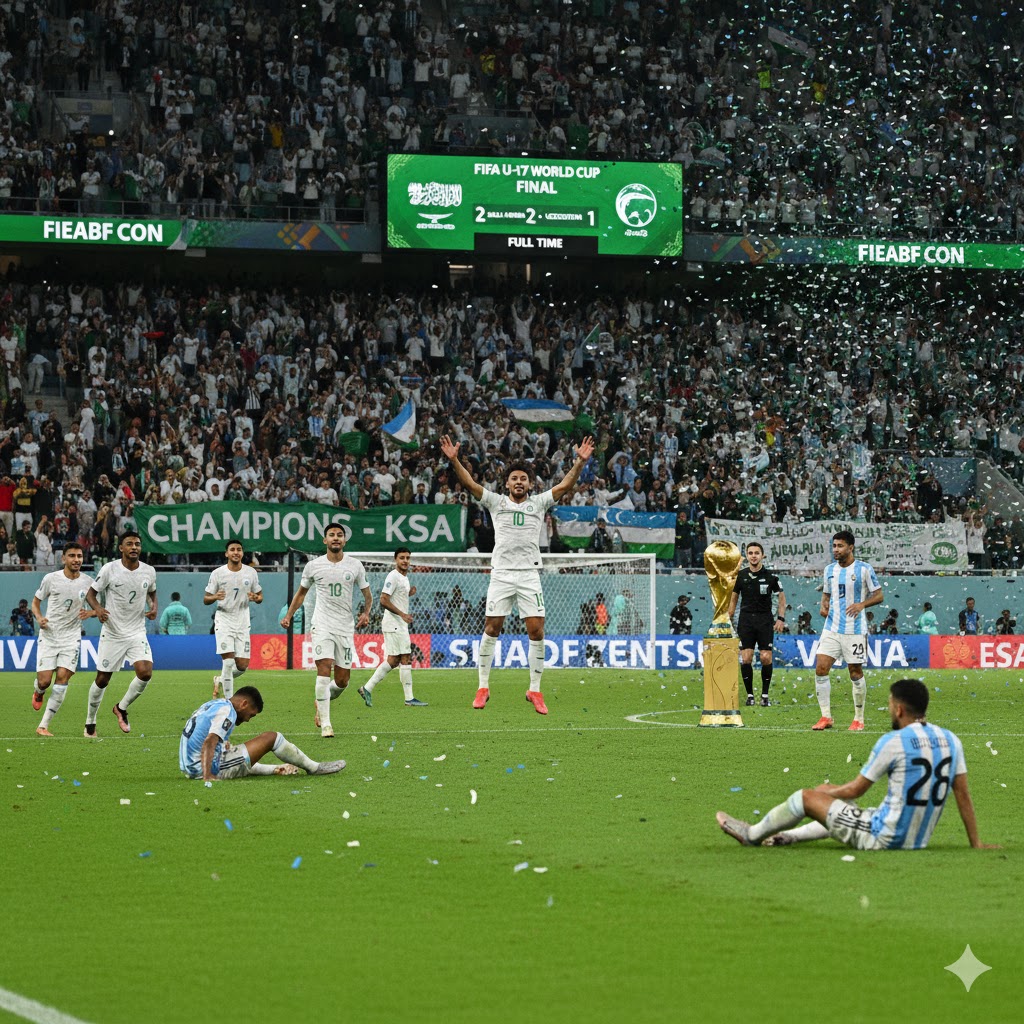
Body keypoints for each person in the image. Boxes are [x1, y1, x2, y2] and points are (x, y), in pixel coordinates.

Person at [716, 678, 1000, 852]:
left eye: (890, 704)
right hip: (918, 840)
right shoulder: (951, 739)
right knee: (847, 814)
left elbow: (855, 790)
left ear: (899, 709)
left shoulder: (894, 741)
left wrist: (829, 791)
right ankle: (784, 838)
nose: (890, 709)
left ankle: (751, 835)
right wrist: (975, 843)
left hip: (884, 837)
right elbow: (962, 794)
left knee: (807, 798)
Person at [440, 432, 595, 715]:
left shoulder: (539, 503)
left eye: (523, 478)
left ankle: (534, 690)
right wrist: (454, 461)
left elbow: (564, 485)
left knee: (536, 630)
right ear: (507, 483)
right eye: (514, 478)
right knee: (492, 628)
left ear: (530, 483)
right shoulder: (497, 502)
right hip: (501, 573)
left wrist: (580, 463)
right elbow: (470, 483)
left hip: (529, 574)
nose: (519, 482)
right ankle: (483, 686)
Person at [280, 522, 371, 738]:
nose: (336, 538)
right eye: (332, 535)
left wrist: (366, 613)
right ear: (325, 540)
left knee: (342, 681)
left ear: (344, 540)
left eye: (339, 535)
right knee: (323, 668)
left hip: (345, 626)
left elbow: (367, 594)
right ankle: (327, 723)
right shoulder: (314, 566)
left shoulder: (355, 565)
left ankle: (322, 699)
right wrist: (289, 615)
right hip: (321, 624)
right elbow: (301, 594)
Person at [179, 685, 346, 781]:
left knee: (238, 754)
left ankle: (276, 769)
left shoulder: (216, 704)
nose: (249, 719)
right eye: (251, 714)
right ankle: (313, 768)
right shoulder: (227, 712)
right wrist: (209, 778)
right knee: (272, 738)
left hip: (191, 764)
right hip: (201, 768)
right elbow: (209, 742)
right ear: (244, 704)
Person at [84, 531, 158, 737]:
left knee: (145, 673)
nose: (134, 547)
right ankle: (90, 721)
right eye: (129, 544)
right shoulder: (109, 569)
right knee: (102, 679)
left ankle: (121, 708)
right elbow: (91, 594)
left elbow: (152, 591)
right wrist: (98, 608)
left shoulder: (149, 571)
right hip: (113, 632)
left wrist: (154, 607)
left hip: (136, 631)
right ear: (121, 548)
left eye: (137, 544)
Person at [813, 530, 883, 732]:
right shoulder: (829, 570)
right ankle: (826, 717)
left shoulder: (864, 569)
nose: (836, 549)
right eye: (834, 546)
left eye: (840, 546)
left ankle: (858, 719)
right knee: (821, 669)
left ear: (850, 547)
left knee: (855, 672)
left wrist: (862, 604)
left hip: (855, 630)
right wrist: (823, 605)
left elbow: (879, 595)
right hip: (831, 628)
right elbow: (826, 594)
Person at [30, 543, 95, 736]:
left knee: (62, 679)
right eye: (72, 556)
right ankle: (39, 692)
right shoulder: (51, 579)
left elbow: (100, 606)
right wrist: (39, 618)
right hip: (49, 635)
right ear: (63, 559)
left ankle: (43, 725)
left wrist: (90, 612)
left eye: (80, 556)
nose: (77, 560)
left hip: (71, 637)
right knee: (44, 681)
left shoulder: (89, 582)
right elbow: (35, 602)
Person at [357, 546, 427, 707]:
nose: (405, 561)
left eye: (408, 558)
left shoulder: (404, 578)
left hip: (398, 624)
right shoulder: (393, 576)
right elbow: (383, 599)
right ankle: (409, 698)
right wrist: (402, 614)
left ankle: (367, 688)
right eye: (402, 558)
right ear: (396, 560)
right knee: (405, 657)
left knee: (393, 660)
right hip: (394, 623)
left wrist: (409, 593)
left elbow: (396, 596)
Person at [727, 542, 787, 707]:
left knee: (765, 657)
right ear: (746, 556)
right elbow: (733, 599)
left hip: (764, 620)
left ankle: (765, 695)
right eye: (751, 553)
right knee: (746, 658)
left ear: (762, 555)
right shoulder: (740, 576)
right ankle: (750, 695)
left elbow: (782, 598)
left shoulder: (771, 577)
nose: (753, 555)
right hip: (746, 620)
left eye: (757, 553)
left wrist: (780, 618)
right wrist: (728, 619)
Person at [205, 540, 262, 698]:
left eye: (239, 549)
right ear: (226, 553)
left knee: (242, 666)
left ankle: (221, 679)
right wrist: (215, 596)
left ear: (242, 553)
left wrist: (256, 597)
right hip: (224, 620)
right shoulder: (218, 573)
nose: (236, 552)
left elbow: (260, 596)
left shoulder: (251, 572)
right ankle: (229, 702)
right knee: (228, 662)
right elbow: (206, 599)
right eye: (232, 550)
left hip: (243, 622)